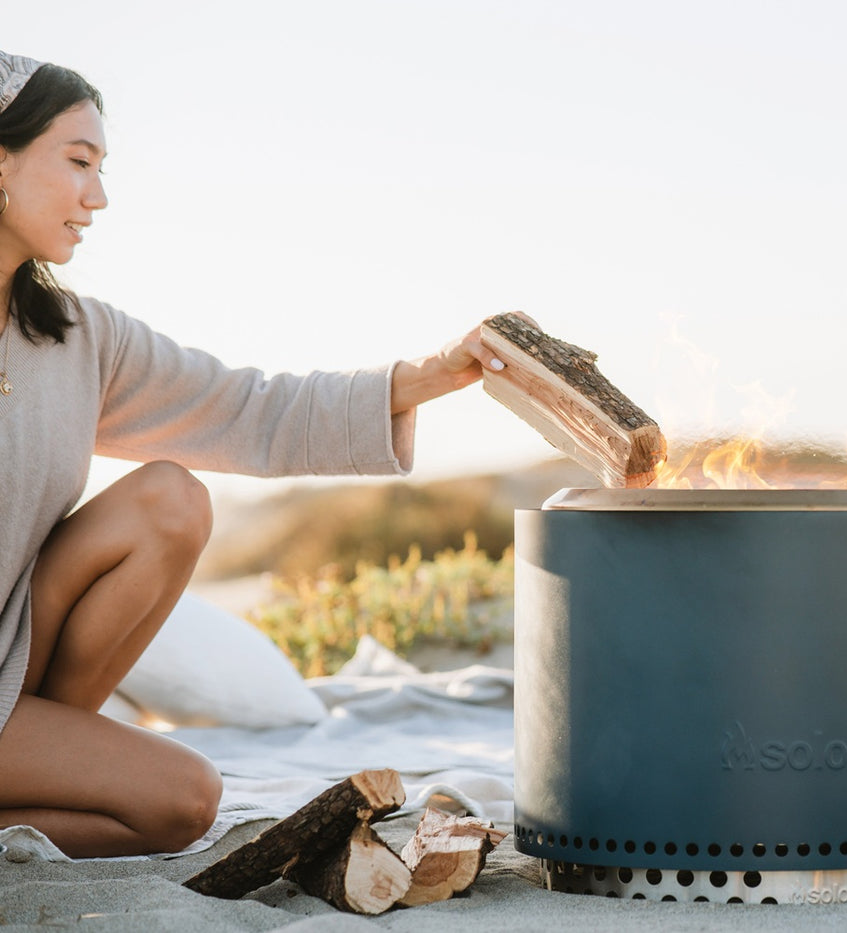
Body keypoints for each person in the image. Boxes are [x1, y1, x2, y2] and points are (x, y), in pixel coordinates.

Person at [0, 51, 510, 858]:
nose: (97, 196)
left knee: (170, 498)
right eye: (78, 162)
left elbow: (249, 407)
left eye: (102, 168)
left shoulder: (77, 338)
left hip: (12, 666)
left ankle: (55, 751)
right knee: (185, 797)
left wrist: (430, 375)